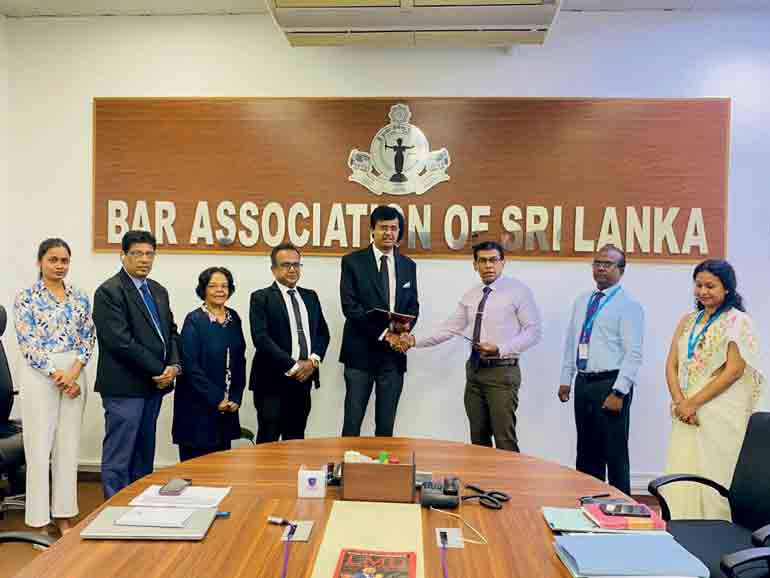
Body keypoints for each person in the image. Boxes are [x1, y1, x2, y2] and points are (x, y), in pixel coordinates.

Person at [402, 240, 540, 451]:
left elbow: (533, 332)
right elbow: (449, 328)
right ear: (475, 265)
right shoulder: (472, 295)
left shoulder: (518, 291)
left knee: (504, 439)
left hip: (502, 372)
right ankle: (483, 474)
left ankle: (509, 475)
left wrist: (500, 348)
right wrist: (413, 340)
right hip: (475, 372)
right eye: (482, 261)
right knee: (478, 439)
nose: (488, 266)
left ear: (503, 262)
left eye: (493, 260)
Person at [662, 259, 763, 520]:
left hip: (719, 410)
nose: (703, 291)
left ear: (726, 288)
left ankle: (719, 529)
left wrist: (693, 403)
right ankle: (682, 525)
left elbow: (734, 370)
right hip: (686, 411)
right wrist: (680, 402)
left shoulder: (737, 321)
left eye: (710, 286)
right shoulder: (687, 321)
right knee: (684, 468)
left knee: (717, 470)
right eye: (698, 285)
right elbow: (671, 364)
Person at [13, 238, 95, 534]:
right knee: (38, 449)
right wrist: (57, 375)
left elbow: (88, 337)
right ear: (40, 262)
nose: (60, 266)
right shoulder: (26, 298)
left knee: (68, 448)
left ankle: (64, 516)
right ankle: (38, 521)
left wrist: (73, 373)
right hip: (41, 375)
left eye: (64, 260)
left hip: (75, 372)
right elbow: (28, 344)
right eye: (53, 260)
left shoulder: (80, 296)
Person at [92, 230, 181, 498]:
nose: (144, 259)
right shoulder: (109, 291)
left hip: (153, 387)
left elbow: (171, 332)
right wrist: (159, 369)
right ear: (123, 256)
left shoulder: (158, 290)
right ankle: (114, 507)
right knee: (120, 453)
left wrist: (174, 365)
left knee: (144, 452)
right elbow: (120, 341)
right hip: (124, 387)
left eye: (149, 254)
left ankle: (140, 503)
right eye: (137, 253)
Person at [557, 244, 644, 495]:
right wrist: (566, 378)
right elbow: (572, 341)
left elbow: (633, 353)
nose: (601, 268)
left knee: (614, 452)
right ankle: (589, 502)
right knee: (586, 450)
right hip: (584, 383)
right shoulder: (582, 300)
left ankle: (621, 506)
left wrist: (619, 392)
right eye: (597, 263)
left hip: (611, 384)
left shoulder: (628, 305)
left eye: (608, 264)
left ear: (621, 270)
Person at [340, 205, 419, 438]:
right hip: (360, 353)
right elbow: (350, 308)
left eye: (394, 228)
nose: (389, 233)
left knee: (386, 426)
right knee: (352, 422)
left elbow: (413, 305)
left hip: (393, 356)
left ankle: (383, 464)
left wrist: (406, 328)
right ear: (372, 230)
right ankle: (348, 462)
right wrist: (385, 335)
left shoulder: (408, 265)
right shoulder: (352, 262)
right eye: (383, 228)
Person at [249, 243, 330, 442]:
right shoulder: (261, 298)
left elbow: (323, 334)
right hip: (271, 381)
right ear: (273, 269)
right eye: (285, 265)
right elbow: (261, 339)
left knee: (295, 440)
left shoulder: (310, 296)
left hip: (303, 381)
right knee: (268, 440)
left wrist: (312, 362)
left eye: (296, 264)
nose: (292, 269)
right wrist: (294, 366)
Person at [172, 267, 246, 461]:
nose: (220, 290)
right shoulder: (194, 320)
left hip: (226, 408)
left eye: (224, 286)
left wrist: (235, 396)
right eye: (213, 286)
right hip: (197, 407)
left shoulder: (233, 318)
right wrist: (217, 397)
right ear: (203, 289)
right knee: (196, 468)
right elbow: (190, 365)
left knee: (221, 466)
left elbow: (240, 360)